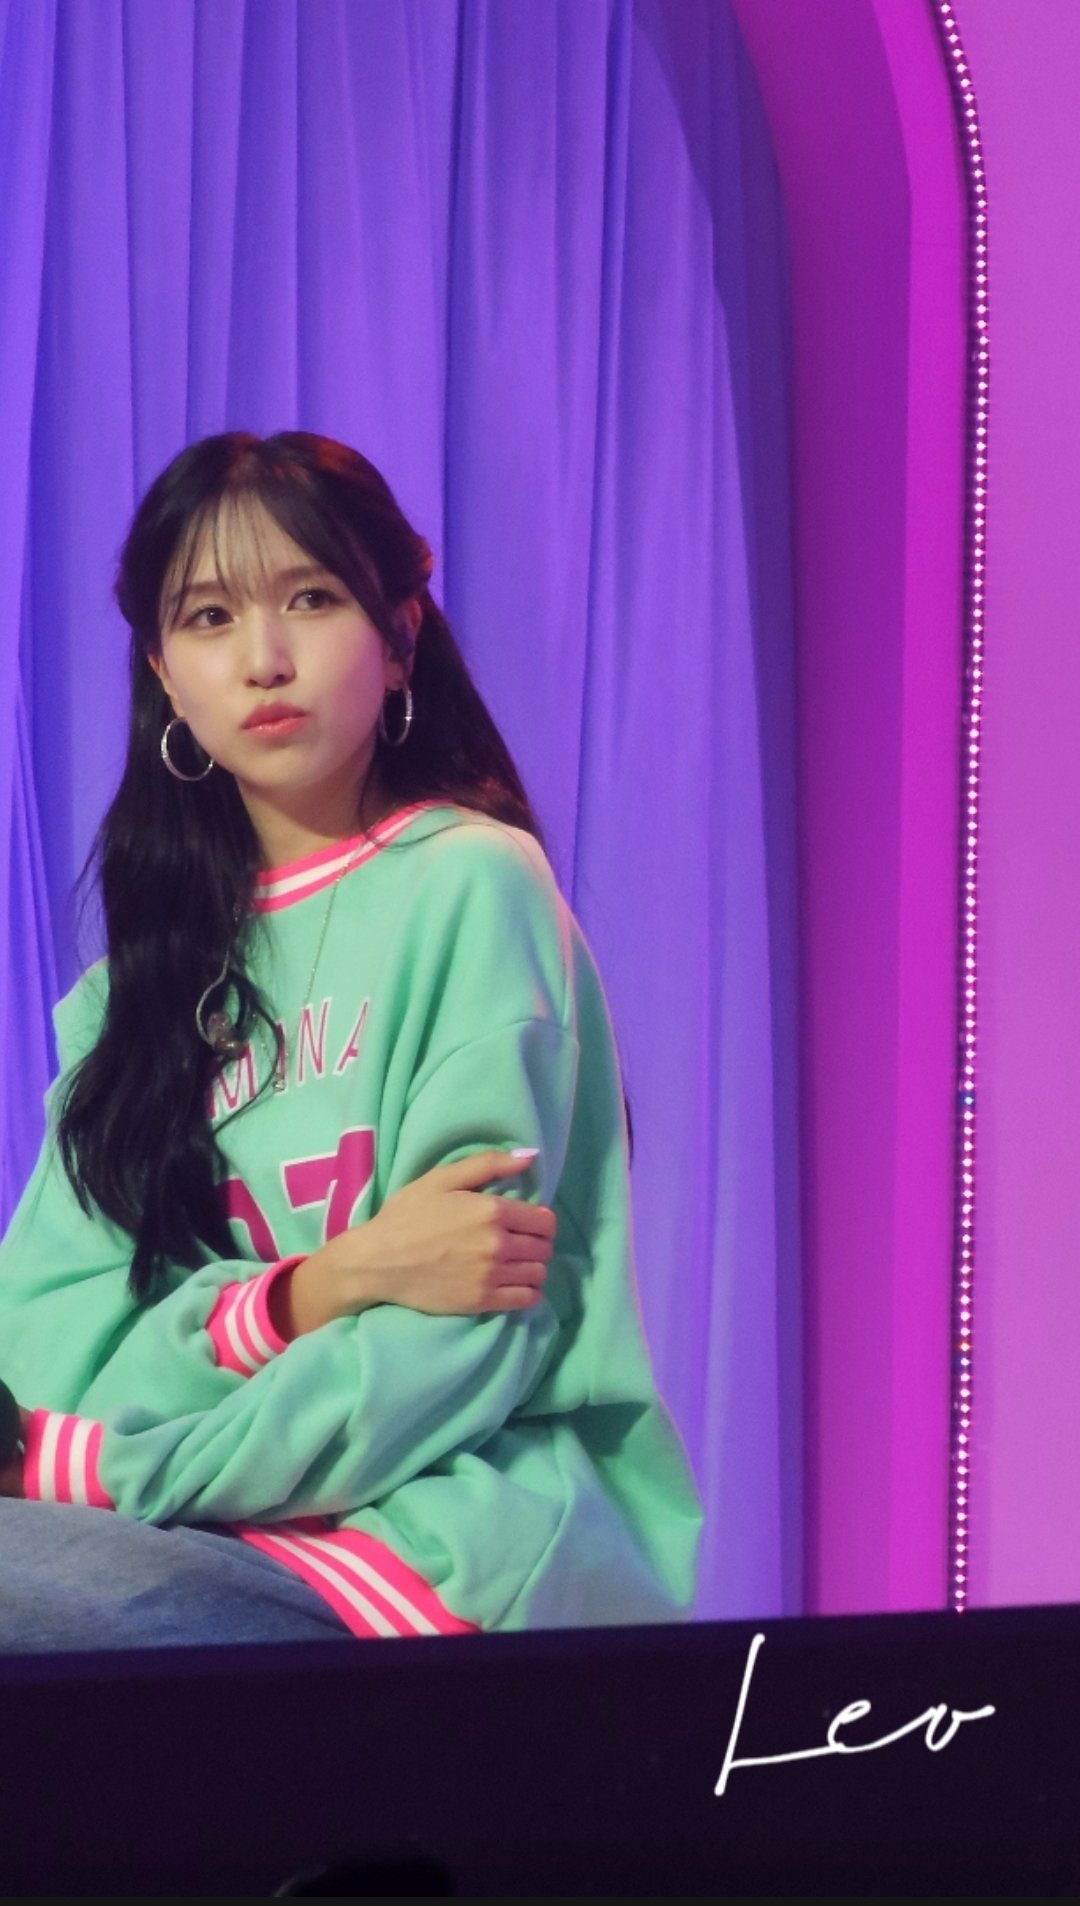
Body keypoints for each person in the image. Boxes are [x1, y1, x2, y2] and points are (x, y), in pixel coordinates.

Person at [0, 431, 701, 1649]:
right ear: (165, 673)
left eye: (312, 599)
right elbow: (46, 1354)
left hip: (433, 1543)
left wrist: (103, 1465)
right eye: (209, 617)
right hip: (180, 1533)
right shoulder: (131, 998)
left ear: (399, 634)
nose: (264, 659)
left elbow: (455, 1347)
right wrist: (312, 1290)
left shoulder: (471, 886)